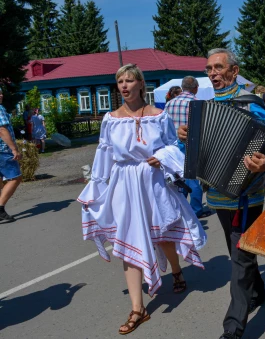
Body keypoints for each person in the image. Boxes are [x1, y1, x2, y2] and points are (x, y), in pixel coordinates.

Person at [77, 64, 207, 335]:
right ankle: (138, 308)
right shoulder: (110, 119)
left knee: (164, 234)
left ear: (140, 85)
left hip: (154, 182)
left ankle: (176, 271)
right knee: (129, 239)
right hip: (124, 185)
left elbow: (173, 145)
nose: (124, 86)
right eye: (120, 81)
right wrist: (95, 189)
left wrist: (162, 157)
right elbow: (104, 155)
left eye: (129, 81)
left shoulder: (159, 115)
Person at [177, 48, 265, 339]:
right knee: (238, 251)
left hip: (247, 194)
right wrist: (184, 137)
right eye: (209, 69)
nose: (212, 73)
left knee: (240, 257)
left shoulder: (252, 105)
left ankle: (233, 328)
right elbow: (194, 154)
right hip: (218, 195)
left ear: (234, 71)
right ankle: (258, 291)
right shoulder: (202, 108)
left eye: (218, 68)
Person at [165, 76, 210, 218]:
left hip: (173, 146)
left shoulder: (169, 104)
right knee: (194, 178)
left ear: (182, 87)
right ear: (196, 88)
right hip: (191, 144)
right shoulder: (196, 103)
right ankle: (196, 210)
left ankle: (181, 208)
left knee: (179, 178)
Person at [0, 86, 22, 224]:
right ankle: (0, 208)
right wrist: (14, 149)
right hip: (3, 150)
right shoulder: (0, 109)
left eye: (1, 93)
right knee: (15, 177)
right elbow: (2, 129)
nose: (1, 95)